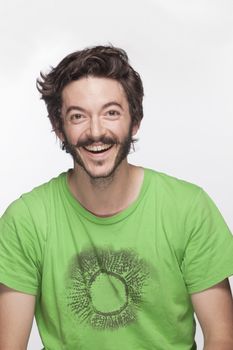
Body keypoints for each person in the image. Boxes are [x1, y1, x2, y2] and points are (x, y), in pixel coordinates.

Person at [0, 45, 233, 350]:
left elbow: (222, 337)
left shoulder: (189, 208)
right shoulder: (26, 220)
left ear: (134, 121)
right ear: (59, 128)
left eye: (111, 113)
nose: (96, 131)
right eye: (78, 116)